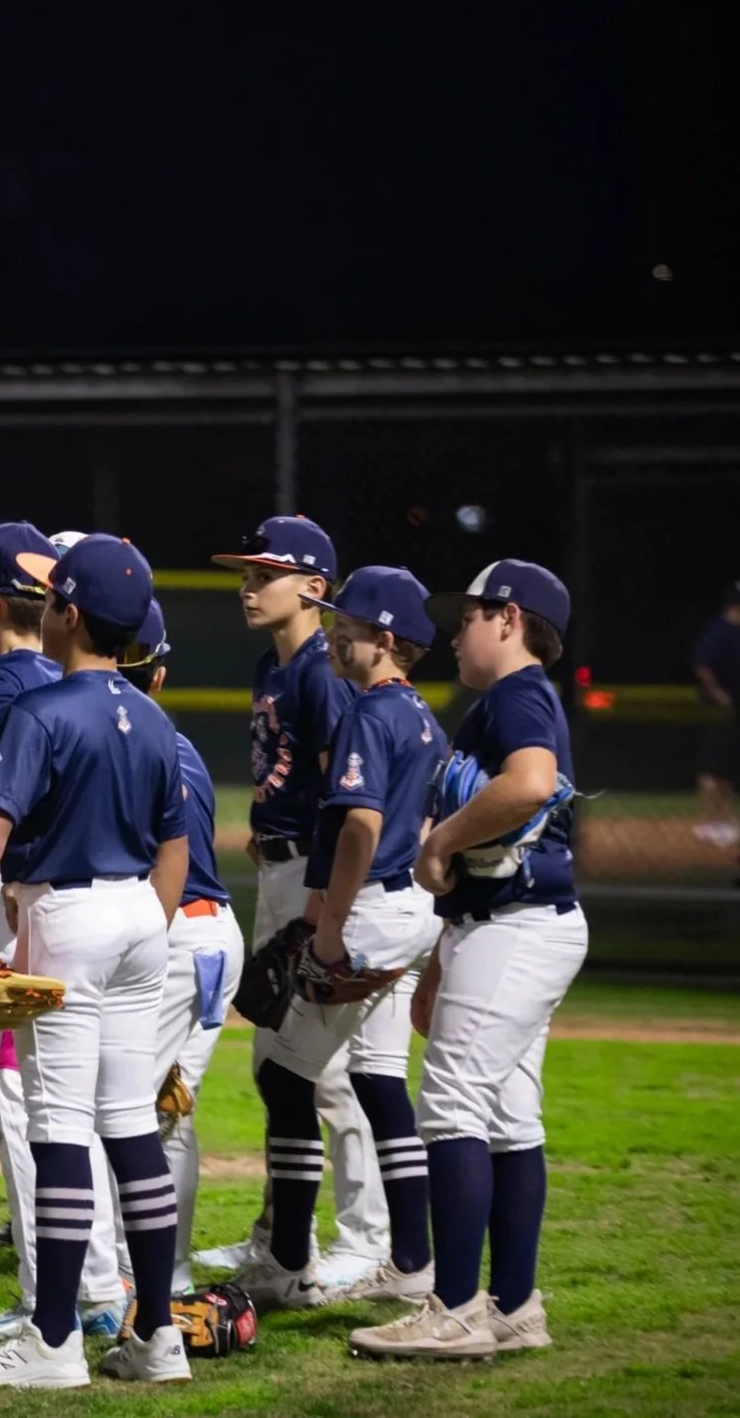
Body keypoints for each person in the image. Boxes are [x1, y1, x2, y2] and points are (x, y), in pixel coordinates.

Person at [0, 535, 193, 1389]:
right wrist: (144, 929)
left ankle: (52, 1345)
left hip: (71, 913)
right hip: (139, 915)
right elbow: (176, 843)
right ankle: (157, 1335)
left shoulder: (45, 712)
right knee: (127, 1123)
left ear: (68, 613)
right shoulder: (154, 717)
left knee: (57, 1128)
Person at [352, 560, 585, 1360]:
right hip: (506, 920)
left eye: (470, 616)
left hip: (519, 925)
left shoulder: (517, 694)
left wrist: (439, 840)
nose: (455, 631)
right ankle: (515, 1305)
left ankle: (453, 1308)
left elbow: (530, 784)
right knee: (509, 1120)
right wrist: (443, 958)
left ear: (510, 620)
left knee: (450, 1109)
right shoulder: (510, 699)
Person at [0, 524, 126, 1345]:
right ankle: (103, 1287)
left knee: (23, 1101)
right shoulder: (70, 678)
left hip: (24, 910)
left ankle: (54, 1293)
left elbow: (8, 815)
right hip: (104, 905)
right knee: (80, 1109)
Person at [232, 568, 445, 1310]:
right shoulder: (421, 713)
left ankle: (289, 1261)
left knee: (286, 1078)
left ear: (386, 639)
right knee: (381, 1080)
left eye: (348, 624)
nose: (335, 631)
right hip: (410, 909)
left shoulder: (366, 713)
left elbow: (360, 823)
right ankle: (412, 1261)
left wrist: (328, 920)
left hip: (370, 915)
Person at [198, 517, 387, 1287]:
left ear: (315, 587)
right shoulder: (273, 667)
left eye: (264, 575)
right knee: (277, 1060)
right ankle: (282, 1232)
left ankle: (365, 1238)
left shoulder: (317, 672)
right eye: (245, 576)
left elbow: (345, 796)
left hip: (313, 877)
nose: (249, 588)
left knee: (323, 1069)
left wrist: (319, 901)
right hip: (281, 870)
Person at [110, 602, 247, 1297]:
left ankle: (125, 1283)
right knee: (163, 1112)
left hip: (178, 935)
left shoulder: (139, 743)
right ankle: (164, 1276)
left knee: (128, 1111)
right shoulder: (164, 738)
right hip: (201, 935)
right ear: (158, 676)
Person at [692, 580, 740, 851]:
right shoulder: (719, 630)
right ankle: (710, 822)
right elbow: (703, 667)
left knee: (729, 770)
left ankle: (725, 821)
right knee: (712, 768)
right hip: (717, 710)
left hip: (735, 710)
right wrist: (718, 693)